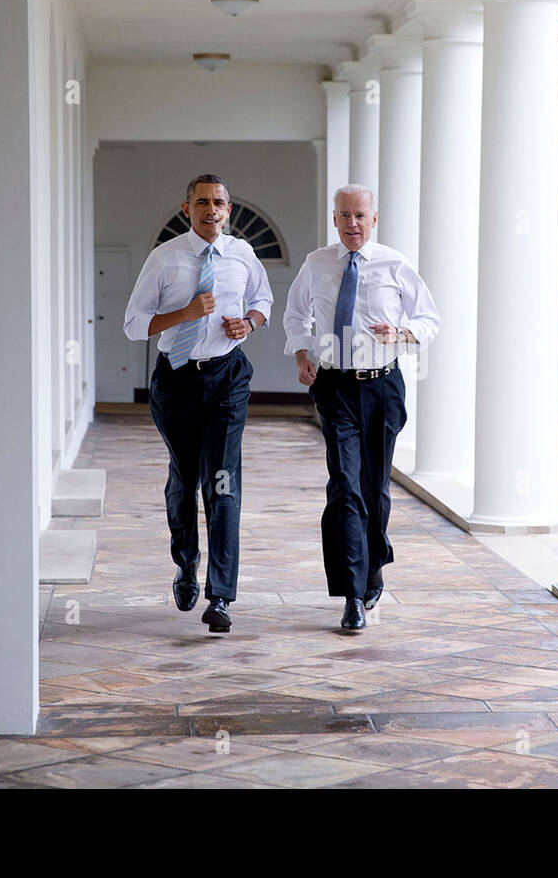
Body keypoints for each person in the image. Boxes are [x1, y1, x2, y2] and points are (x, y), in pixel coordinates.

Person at [282, 184, 440, 630]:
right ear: (335, 219)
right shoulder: (316, 264)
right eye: (345, 215)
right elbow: (295, 316)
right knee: (345, 487)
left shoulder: (395, 264)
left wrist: (402, 334)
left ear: (374, 221)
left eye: (360, 216)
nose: (352, 224)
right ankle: (351, 593)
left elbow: (430, 320)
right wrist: (302, 355)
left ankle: (374, 563)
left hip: (383, 387)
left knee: (375, 490)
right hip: (334, 388)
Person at [122, 174, 272, 633]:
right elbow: (133, 325)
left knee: (223, 482)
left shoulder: (243, 255)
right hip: (177, 381)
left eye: (220, 203)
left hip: (227, 378)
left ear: (229, 210)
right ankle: (186, 566)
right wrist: (185, 314)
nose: (212, 210)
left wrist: (248, 322)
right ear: (187, 209)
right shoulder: (164, 259)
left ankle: (222, 596)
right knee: (185, 480)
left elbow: (263, 299)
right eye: (203, 202)